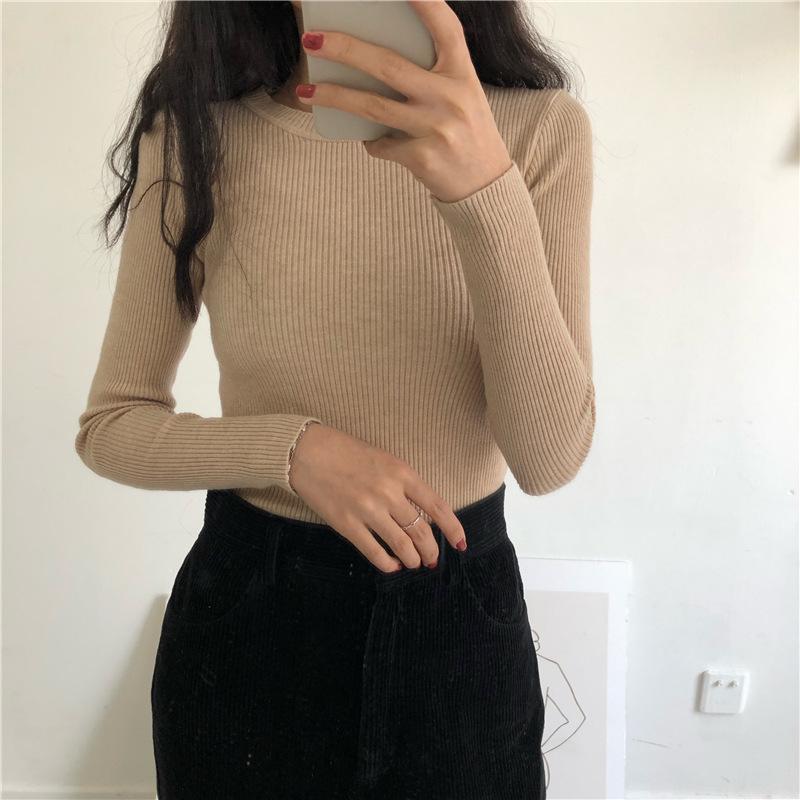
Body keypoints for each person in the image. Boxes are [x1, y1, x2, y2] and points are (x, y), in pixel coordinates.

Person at [74, 1, 595, 797]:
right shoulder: (195, 136)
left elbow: (549, 458)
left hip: (458, 623)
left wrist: (483, 189)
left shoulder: (537, 131)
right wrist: (293, 451)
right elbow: (113, 425)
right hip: (250, 620)